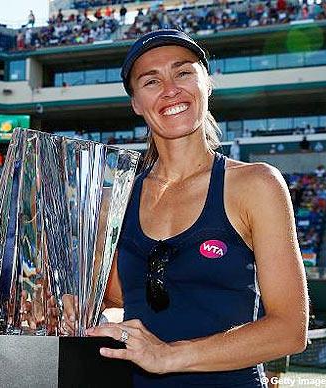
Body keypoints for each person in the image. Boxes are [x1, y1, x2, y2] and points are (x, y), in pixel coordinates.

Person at [87, 29, 308, 387]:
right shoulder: (115, 199)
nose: (170, 89)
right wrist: (68, 304)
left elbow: (290, 330)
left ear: (207, 84)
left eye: (183, 72)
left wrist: (170, 355)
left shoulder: (256, 185)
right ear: (136, 103)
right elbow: (113, 299)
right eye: (151, 81)